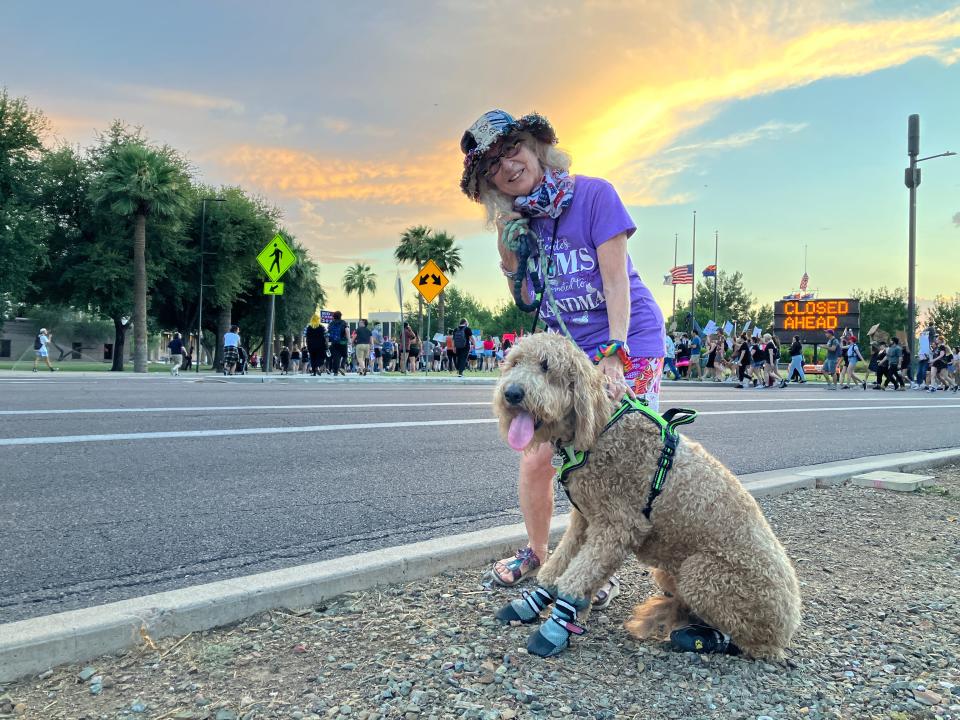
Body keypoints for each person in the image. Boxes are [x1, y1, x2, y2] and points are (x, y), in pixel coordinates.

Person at [460, 108, 665, 612]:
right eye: (491, 167)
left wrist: (615, 356)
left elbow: (615, 281)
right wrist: (510, 262)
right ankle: (537, 552)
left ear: (536, 147)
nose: (506, 167)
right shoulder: (520, 225)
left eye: (512, 150)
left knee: (614, 462)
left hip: (627, 340)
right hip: (564, 359)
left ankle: (601, 566)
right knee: (536, 459)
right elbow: (529, 302)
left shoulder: (594, 195)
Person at [327, 311, 349, 375]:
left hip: (334, 342)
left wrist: (328, 342)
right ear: (340, 316)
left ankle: (335, 372)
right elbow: (347, 330)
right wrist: (349, 340)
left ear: (334, 316)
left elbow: (328, 333)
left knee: (336, 357)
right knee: (345, 355)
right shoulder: (344, 322)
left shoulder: (331, 323)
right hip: (343, 341)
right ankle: (342, 367)